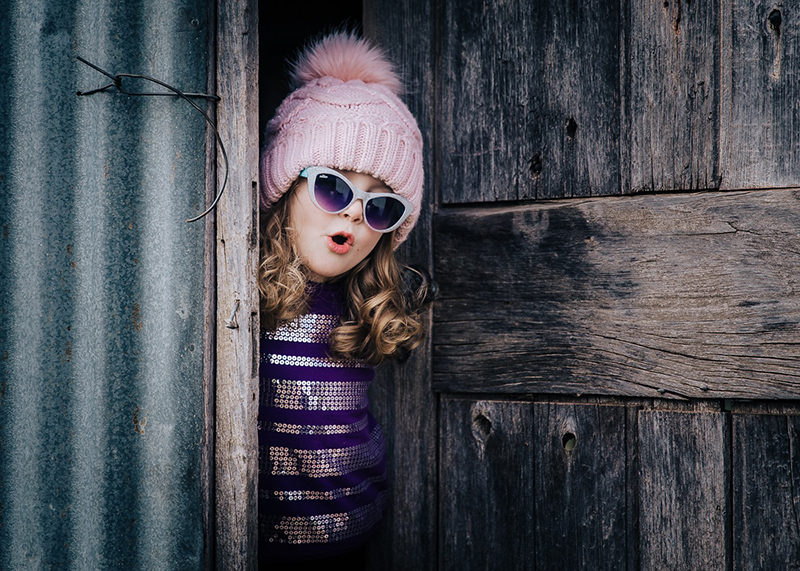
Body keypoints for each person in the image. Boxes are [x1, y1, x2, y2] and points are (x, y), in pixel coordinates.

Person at [257, 31, 426, 569]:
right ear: (284, 187)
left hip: (356, 538)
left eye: (380, 208)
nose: (354, 214)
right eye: (334, 188)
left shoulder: (366, 307)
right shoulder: (242, 299)